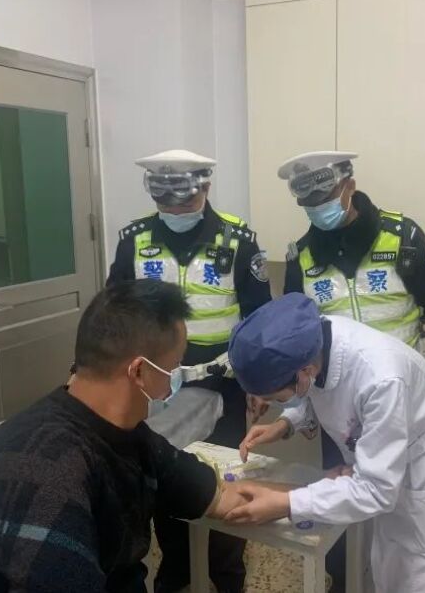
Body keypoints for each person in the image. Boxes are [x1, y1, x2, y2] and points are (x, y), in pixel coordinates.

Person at [0, 280, 248, 592]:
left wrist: (278, 499)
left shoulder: (124, 434)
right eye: (175, 368)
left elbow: (204, 490)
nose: (174, 383)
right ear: (139, 372)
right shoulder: (45, 470)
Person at [275, 150, 425, 589]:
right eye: (307, 203)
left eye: (324, 198)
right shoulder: (301, 256)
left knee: (405, 507)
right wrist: (300, 411)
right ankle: (344, 581)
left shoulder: (402, 238)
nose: (316, 209)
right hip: (339, 405)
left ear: (349, 186)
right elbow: (298, 339)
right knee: (340, 503)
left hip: (403, 399)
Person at [225, 293, 425, 593]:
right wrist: (286, 424)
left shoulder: (381, 379)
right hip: (387, 465)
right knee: (392, 569)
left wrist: (286, 504)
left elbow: (376, 490)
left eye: (277, 398)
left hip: (424, 472)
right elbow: (322, 391)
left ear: (304, 372)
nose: (278, 402)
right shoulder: (312, 344)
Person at [107, 149, 271, 592]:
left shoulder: (238, 240)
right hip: (156, 385)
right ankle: (178, 569)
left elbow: (259, 316)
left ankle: (227, 576)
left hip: (224, 384)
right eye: (165, 200)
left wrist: (258, 381)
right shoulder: (134, 240)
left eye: (184, 199)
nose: (175, 210)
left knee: (224, 479)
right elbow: (115, 311)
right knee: (166, 479)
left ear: (206, 187)